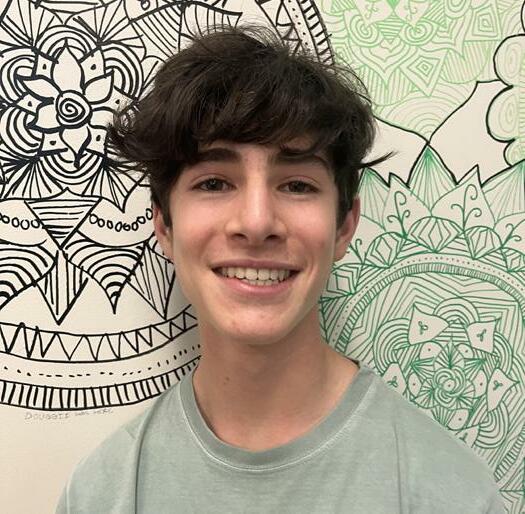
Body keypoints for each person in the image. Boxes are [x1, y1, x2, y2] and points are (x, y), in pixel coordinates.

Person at [56, 26, 505, 513]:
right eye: (213, 183)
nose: (256, 223)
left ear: (344, 225)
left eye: (296, 185)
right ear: (164, 225)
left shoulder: (450, 492)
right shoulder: (101, 493)